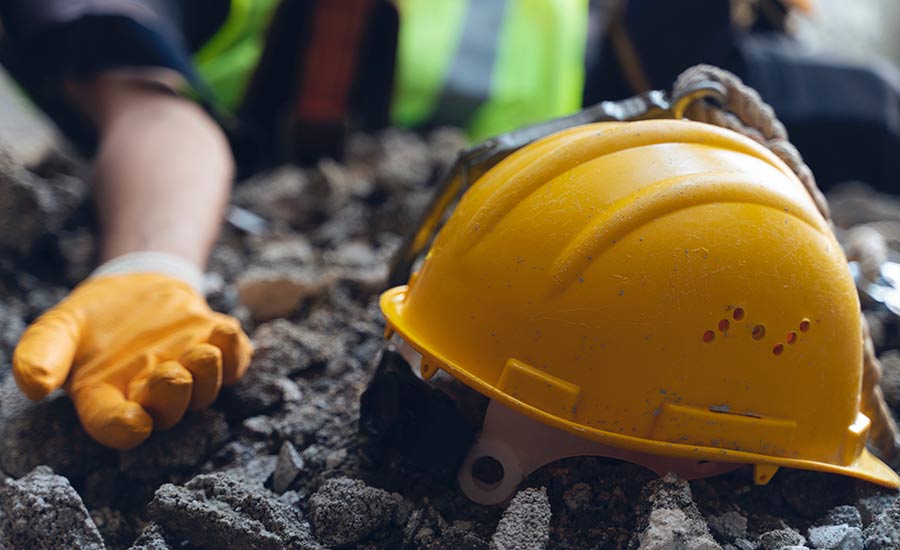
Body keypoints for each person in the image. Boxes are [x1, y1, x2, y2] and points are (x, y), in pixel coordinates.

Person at [2, 0, 900, 450]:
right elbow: (154, 118)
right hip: (294, 180)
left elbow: (778, 89)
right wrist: (152, 259)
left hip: (544, 162)